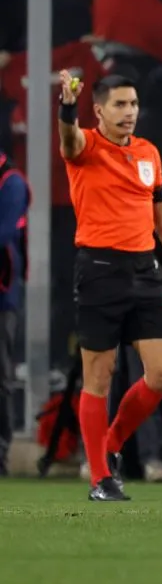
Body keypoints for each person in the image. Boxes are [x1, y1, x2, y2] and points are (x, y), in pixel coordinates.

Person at [58, 70, 162, 501]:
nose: (129, 113)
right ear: (100, 110)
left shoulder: (149, 153)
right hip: (99, 270)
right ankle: (99, 479)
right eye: (120, 105)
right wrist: (66, 107)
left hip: (146, 272)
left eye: (134, 104)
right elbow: (68, 140)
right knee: (99, 377)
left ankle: (107, 447)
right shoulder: (85, 145)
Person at [0, 151, 28, 475]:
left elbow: (4, 231)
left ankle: (1, 454)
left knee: (1, 378)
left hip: (2, 297)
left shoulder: (12, 182)